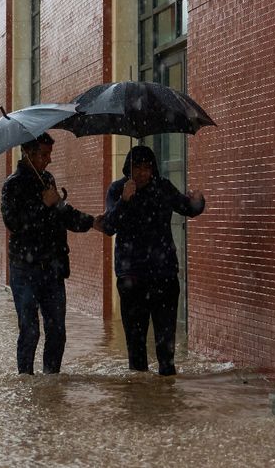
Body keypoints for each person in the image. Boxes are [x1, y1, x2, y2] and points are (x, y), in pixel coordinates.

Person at [1, 133, 103, 375]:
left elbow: (62, 213)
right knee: (30, 329)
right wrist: (42, 205)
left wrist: (91, 222)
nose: (49, 160)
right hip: (25, 270)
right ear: (28, 153)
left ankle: (51, 381)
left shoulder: (47, 180)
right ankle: (25, 379)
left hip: (53, 268)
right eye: (44, 155)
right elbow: (14, 223)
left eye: (49, 154)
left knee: (57, 331)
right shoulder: (12, 185)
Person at [101, 145, 204, 376]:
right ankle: (140, 404)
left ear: (153, 169)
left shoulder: (163, 188)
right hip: (131, 279)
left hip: (164, 277)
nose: (142, 173)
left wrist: (198, 201)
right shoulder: (118, 189)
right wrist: (124, 201)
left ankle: (164, 402)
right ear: (128, 168)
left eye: (147, 168)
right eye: (137, 167)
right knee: (136, 353)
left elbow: (187, 208)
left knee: (166, 351)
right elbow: (108, 226)